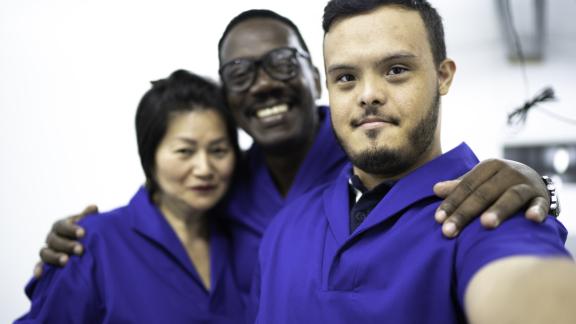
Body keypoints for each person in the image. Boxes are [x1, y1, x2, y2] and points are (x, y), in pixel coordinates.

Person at [37, 9, 553, 300]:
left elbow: (517, 279)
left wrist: (534, 183)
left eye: (283, 62)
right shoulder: (226, 183)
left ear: (313, 80)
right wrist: (81, 244)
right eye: (240, 74)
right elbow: (161, 210)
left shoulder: (374, 154)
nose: (263, 84)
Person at [250, 1, 576, 323]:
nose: (368, 94)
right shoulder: (283, 228)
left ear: (443, 76)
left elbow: (528, 282)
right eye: (346, 77)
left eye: (396, 70)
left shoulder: (491, 208)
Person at [16, 70, 244, 323]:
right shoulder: (91, 244)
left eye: (218, 151)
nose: (204, 169)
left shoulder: (244, 239)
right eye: (185, 151)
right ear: (150, 156)